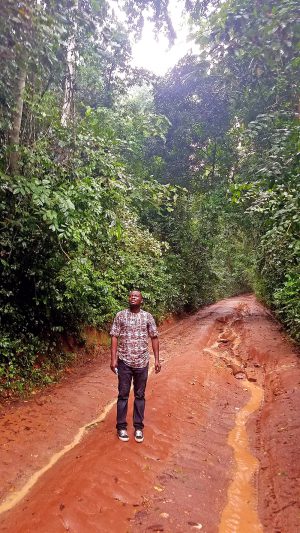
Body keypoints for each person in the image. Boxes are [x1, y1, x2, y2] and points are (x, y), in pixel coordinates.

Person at [110, 290, 161, 443]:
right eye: (131, 296)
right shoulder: (120, 315)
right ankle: (121, 427)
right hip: (124, 361)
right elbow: (114, 336)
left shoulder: (147, 317)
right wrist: (113, 359)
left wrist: (157, 360)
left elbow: (154, 337)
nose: (133, 297)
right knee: (123, 395)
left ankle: (138, 427)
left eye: (136, 296)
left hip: (142, 362)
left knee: (140, 396)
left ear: (141, 300)